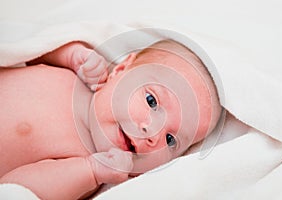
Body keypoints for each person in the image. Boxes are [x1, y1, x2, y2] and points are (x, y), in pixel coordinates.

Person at [0, 40, 222, 199]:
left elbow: (17, 189)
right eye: (151, 101)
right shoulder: (75, 74)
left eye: (171, 139)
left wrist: (91, 171)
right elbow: (32, 48)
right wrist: (69, 54)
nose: (153, 134)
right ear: (122, 69)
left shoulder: (82, 168)